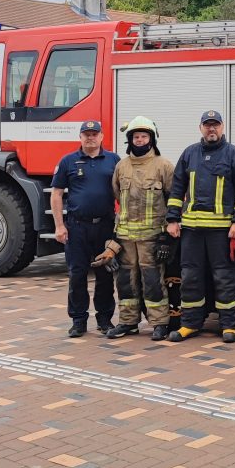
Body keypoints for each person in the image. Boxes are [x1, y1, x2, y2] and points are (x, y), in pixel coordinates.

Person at [165, 110, 235, 343]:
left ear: (222, 127)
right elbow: (177, 189)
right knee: (190, 277)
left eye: (215, 125)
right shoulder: (189, 154)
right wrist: (172, 219)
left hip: (221, 232)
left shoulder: (234, 155)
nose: (211, 129)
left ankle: (229, 326)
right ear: (200, 128)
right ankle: (190, 324)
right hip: (192, 232)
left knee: (224, 278)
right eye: (207, 125)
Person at [104, 117, 176, 342]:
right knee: (125, 282)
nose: (140, 140)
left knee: (153, 281)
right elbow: (118, 196)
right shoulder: (121, 166)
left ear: (151, 139)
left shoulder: (163, 166)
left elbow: (173, 199)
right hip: (125, 237)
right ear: (130, 140)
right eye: (136, 137)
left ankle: (159, 323)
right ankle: (128, 322)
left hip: (152, 237)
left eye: (144, 136)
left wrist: (165, 237)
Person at [51, 120, 121, 338]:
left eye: (94, 133)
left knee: (105, 275)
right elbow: (56, 194)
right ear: (80, 137)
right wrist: (59, 226)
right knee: (77, 275)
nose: (90, 137)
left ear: (102, 136)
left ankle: (104, 320)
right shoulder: (68, 161)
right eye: (86, 134)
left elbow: (122, 192)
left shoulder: (114, 160)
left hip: (105, 227)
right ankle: (78, 321)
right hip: (77, 227)